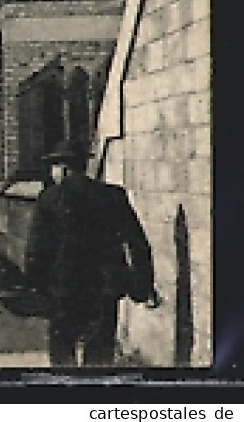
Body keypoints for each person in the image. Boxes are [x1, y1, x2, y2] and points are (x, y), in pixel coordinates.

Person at [25, 142, 157, 367]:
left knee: (62, 350)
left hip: (63, 290)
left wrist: (37, 286)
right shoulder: (113, 196)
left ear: (63, 169)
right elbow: (138, 243)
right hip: (105, 288)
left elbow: (37, 249)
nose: (52, 173)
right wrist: (141, 286)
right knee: (100, 352)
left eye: (53, 167)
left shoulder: (49, 199)